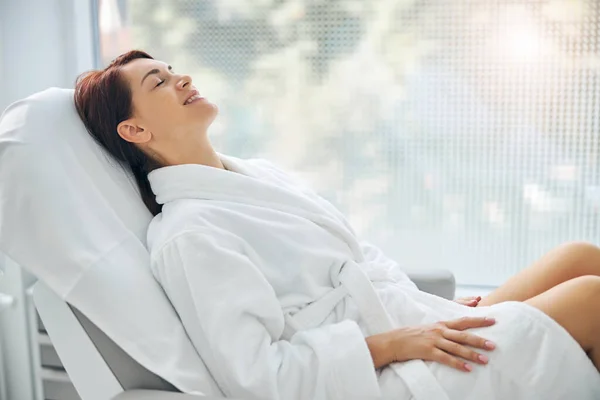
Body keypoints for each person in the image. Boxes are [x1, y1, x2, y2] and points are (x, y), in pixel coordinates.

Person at [74, 50, 600, 400]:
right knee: (592, 298)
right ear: (135, 127)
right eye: (158, 81)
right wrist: (397, 343)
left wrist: (421, 308)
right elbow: (259, 377)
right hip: (387, 373)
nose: (181, 77)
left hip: (408, 323)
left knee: (579, 257)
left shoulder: (257, 177)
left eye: (172, 69)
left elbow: (355, 257)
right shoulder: (189, 235)